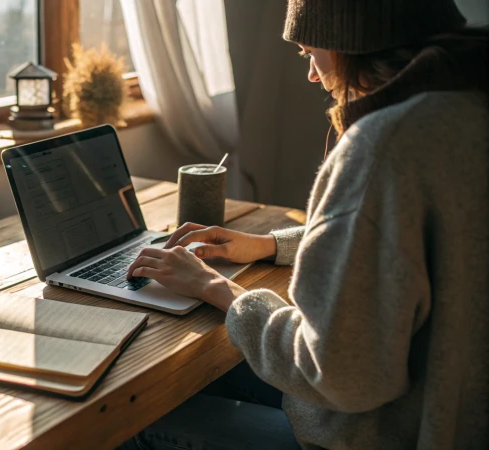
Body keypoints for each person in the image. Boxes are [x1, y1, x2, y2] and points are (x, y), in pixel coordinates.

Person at [121, 0, 488, 448]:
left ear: (351, 43)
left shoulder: (385, 144)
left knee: (130, 419)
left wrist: (219, 289)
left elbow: (339, 373)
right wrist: (268, 245)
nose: (313, 74)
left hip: (381, 433)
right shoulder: (466, 105)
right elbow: (404, 241)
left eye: (310, 52)